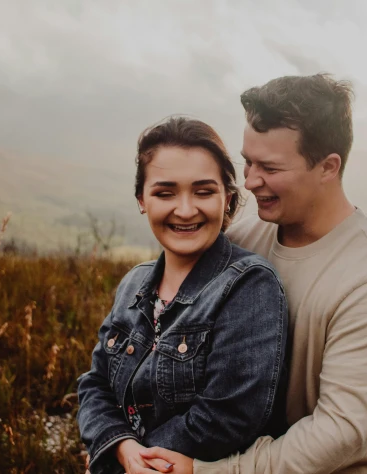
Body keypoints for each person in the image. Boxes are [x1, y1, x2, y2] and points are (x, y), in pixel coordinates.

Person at [138, 74, 367, 474]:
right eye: (248, 161)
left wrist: (199, 471)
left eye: (269, 167)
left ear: (328, 167)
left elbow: (339, 431)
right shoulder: (241, 238)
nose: (251, 181)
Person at [77, 117, 289, 474]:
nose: (186, 209)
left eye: (204, 191)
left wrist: (132, 460)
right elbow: (96, 383)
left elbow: (228, 415)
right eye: (165, 192)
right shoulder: (134, 283)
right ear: (142, 200)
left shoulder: (249, 285)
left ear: (229, 200)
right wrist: (119, 447)